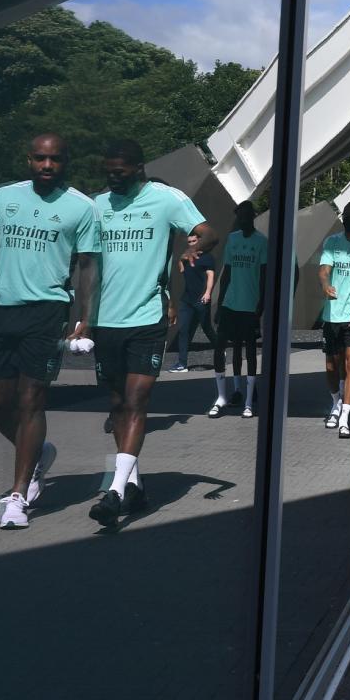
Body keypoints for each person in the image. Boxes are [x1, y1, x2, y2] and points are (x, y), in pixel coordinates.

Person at [0, 134, 99, 529]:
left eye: (55, 160)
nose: (47, 166)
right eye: (40, 159)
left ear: (66, 161)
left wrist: (86, 315)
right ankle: (39, 453)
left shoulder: (82, 207)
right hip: (3, 311)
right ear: (28, 159)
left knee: (32, 400)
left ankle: (18, 496)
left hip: (47, 314)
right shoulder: (4, 198)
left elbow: (88, 265)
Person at [88, 140, 216, 526]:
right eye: (108, 171)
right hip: (105, 322)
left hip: (146, 319)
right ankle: (135, 486)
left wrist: (196, 246)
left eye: (120, 172)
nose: (113, 178)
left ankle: (114, 491)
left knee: (137, 400)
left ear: (139, 168)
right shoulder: (96, 205)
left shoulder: (166, 199)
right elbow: (83, 262)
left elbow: (207, 230)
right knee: (117, 406)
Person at [211, 201, 267, 418]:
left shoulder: (262, 242)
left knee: (250, 350)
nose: (241, 220)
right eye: (238, 216)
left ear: (251, 217)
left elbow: (264, 275)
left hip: (249, 306)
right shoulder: (232, 240)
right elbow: (227, 273)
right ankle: (223, 395)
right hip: (230, 304)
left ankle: (249, 400)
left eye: (244, 216)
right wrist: (219, 303)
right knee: (221, 346)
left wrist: (261, 305)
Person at [320, 202, 350, 438]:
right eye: (347, 214)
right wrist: (325, 285)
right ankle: (335, 403)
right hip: (332, 314)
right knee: (332, 364)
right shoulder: (332, 242)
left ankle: (345, 418)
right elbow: (323, 270)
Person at [168, 234, 217, 372]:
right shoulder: (186, 257)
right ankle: (182, 364)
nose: (191, 243)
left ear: (200, 241)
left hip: (201, 299)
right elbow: (182, 270)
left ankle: (220, 351)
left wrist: (207, 293)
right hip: (187, 300)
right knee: (183, 331)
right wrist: (181, 259)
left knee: (207, 329)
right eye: (189, 241)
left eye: (194, 241)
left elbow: (210, 276)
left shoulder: (207, 257)